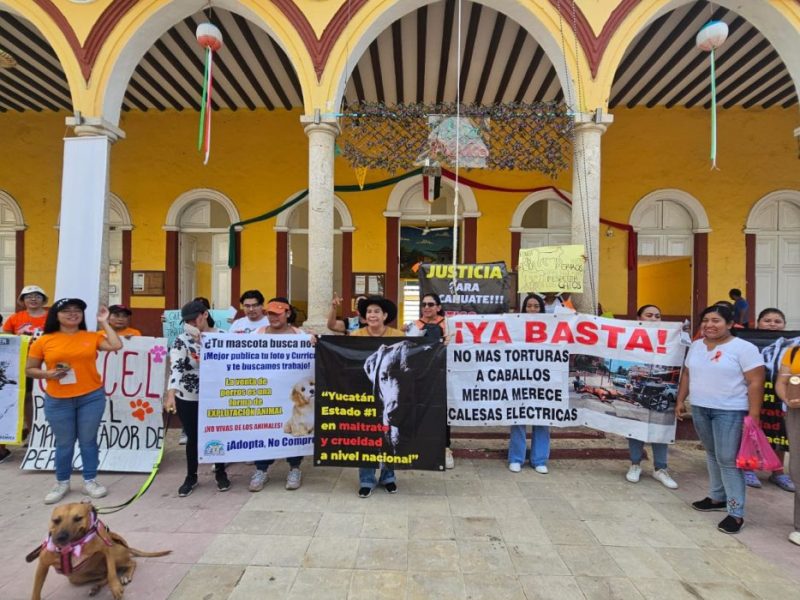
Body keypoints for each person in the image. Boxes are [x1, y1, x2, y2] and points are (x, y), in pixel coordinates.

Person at [676, 304, 764, 534]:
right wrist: (680, 400)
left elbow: (756, 382)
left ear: (730, 324)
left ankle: (736, 513)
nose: (709, 325)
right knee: (712, 453)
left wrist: (754, 415)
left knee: (727, 459)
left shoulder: (744, 348)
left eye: (716, 321)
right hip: (701, 408)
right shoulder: (696, 346)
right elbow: (687, 374)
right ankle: (717, 498)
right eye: (706, 320)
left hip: (730, 411)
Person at [25, 298, 123, 504]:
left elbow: (116, 344)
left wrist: (104, 322)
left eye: (77, 310)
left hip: (91, 396)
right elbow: (29, 369)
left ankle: (90, 480)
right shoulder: (44, 340)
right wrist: (49, 374)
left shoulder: (91, 336)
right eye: (66, 311)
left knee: (88, 441)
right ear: (56, 315)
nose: (72, 314)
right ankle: (62, 482)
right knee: (64, 443)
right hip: (58, 399)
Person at [163, 300, 230, 497]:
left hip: (217, 396)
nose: (192, 323)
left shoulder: (223, 337)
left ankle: (220, 472)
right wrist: (171, 394)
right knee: (193, 437)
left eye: (195, 319)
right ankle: (191, 476)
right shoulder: (181, 340)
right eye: (188, 321)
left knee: (218, 433)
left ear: (205, 315)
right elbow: (176, 367)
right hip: (189, 396)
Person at [249, 297, 307, 492]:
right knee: (263, 430)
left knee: (294, 430)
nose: (273, 317)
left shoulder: (300, 335)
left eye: (277, 313)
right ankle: (261, 470)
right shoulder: (257, 334)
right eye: (270, 314)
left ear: (287, 313)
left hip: (291, 395)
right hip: (265, 393)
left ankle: (294, 468)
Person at [351, 295, 405, 497]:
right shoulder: (356, 335)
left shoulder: (397, 336)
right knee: (366, 436)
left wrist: (440, 344)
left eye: (376, 311)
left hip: (390, 396)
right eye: (369, 312)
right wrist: (318, 342)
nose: (372, 315)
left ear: (385, 315)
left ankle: (388, 476)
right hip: (363, 395)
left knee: (390, 434)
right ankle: (366, 479)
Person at [625, 304, 678, 489]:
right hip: (643, 392)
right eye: (649, 315)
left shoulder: (673, 339)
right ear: (639, 318)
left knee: (661, 428)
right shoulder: (627, 336)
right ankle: (635, 464)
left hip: (661, 392)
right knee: (635, 427)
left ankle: (660, 468)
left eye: (657, 315)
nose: (654, 319)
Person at [743, 308, 795, 492]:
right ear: (757, 323)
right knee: (750, 430)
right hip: (751, 395)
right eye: (767, 320)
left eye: (777, 321)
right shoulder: (746, 343)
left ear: (784, 325)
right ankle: (747, 467)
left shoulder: (794, 346)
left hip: (781, 397)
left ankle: (778, 472)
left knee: (779, 432)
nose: (772, 324)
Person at [1, 285, 49, 462]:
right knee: (26, 398)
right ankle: (30, 431)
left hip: (46, 363)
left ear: (44, 299)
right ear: (22, 300)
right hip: (21, 364)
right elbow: (6, 338)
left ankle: (44, 431)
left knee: (44, 397)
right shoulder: (15, 318)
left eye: (37, 296)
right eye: (28, 296)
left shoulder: (52, 317)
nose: (33, 299)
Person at [508, 293, 551, 474]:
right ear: (523, 308)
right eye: (529, 306)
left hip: (543, 379)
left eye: (536, 306)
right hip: (520, 377)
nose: (532, 309)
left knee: (542, 418)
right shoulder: (515, 326)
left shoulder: (552, 327)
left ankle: (539, 460)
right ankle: (516, 458)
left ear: (542, 309)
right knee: (518, 416)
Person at [412, 293, 453, 469]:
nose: (427, 307)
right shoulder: (414, 326)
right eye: (424, 304)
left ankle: (445, 448)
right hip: (421, 376)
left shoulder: (449, 324)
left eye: (431, 304)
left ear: (438, 307)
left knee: (442, 412)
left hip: (443, 374)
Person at [774, 338, 800, 546]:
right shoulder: (793, 352)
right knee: (798, 467)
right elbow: (782, 383)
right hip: (796, 413)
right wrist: (788, 399)